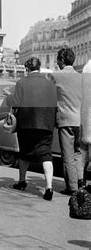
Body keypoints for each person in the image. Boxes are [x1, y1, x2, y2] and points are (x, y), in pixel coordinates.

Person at [7, 57, 57, 200]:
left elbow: (16, 104)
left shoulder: (21, 82)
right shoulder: (50, 84)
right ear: (39, 68)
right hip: (46, 124)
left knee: (24, 152)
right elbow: (55, 104)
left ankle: (22, 181)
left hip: (26, 123)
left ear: (27, 69)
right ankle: (49, 187)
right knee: (46, 154)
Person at [53, 48, 84, 194]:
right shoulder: (81, 77)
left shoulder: (55, 76)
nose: (57, 62)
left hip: (66, 120)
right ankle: (80, 183)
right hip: (81, 120)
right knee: (78, 152)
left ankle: (72, 188)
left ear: (62, 60)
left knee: (68, 156)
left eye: (58, 59)